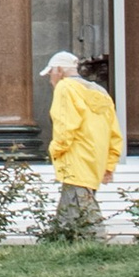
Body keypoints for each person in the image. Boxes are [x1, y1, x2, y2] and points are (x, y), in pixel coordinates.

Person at [42, 50, 123, 235]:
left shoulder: (65, 88)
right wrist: (109, 165)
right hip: (96, 161)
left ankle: (96, 245)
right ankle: (62, 241)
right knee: (70, 214)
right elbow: (114, 133)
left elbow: (65, 125)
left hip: (75, 160)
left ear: (59, 70)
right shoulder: (100, 92)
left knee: (86, 216)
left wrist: (55, 150)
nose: (49, 79)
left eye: (50, 73)